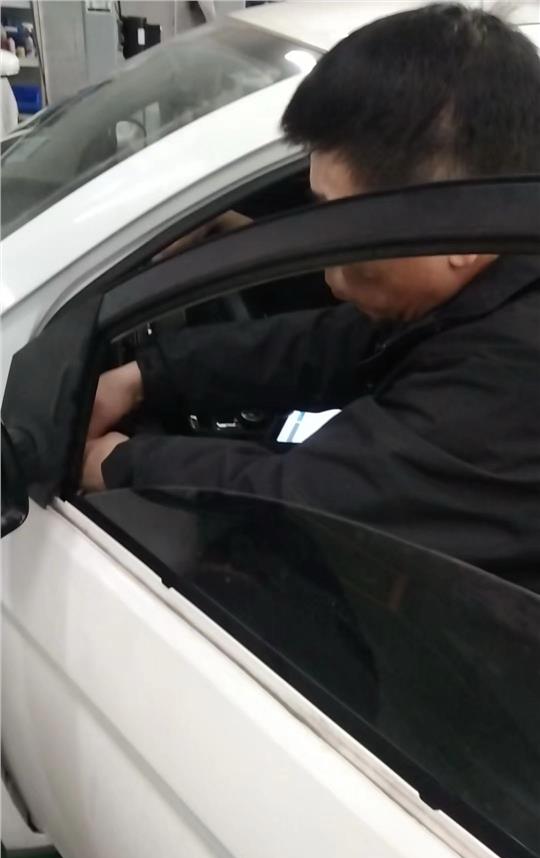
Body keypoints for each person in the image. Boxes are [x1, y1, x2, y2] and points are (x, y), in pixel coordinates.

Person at [82, 2, 540, 593]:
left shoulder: (511, 376)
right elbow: (332, 344)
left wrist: (115, 462)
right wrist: (144, 376)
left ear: (464, 233)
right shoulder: (495, 273)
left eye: (343, 233)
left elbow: (305, 499)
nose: (326, 271)